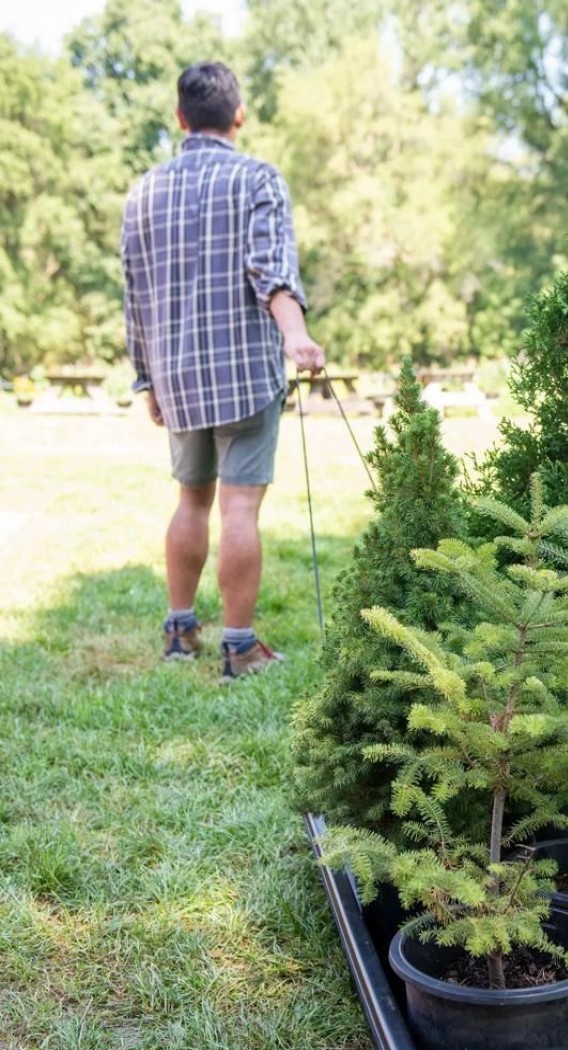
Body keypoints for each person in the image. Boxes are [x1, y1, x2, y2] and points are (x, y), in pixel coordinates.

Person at [121, 61, 324, 681]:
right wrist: (297, 336)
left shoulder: (144, 192)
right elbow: (272, 273)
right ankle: (238, 647)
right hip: (244, 376)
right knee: (239, 508)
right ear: (238, 116)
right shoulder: (258, 178)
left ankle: (179, 633)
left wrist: (146, 378)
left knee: (190, 500)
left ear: (180, 118)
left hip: (177, 376)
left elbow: (136, 295)